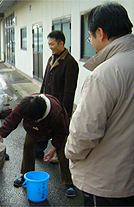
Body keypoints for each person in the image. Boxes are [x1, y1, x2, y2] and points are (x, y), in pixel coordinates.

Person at [65, 2, 134, 206]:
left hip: (106, 183)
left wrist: (69, 152)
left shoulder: (104, 74)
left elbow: (84, 134)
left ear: (101, 33)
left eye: (90, 37)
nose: (90, 42)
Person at [0, 94, 76, 197]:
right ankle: (26, 174)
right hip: (32, 129)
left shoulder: (56, 113)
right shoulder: (25, 105)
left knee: (63, 153)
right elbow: (11, 121)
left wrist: (53, 150)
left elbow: (61, 133)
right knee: (28, 145)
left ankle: (69, 182)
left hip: (53, 130)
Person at [35, 30, 79, 160]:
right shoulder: (51, 58)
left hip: (59, 106)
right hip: (46, 102)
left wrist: (65, 111)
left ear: (61, 43)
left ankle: (60, 156)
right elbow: (44, 81)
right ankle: (38, 152)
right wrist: (40, 97)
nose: (50, 47)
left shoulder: (70, 63)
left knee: (59, 132)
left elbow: (69, 90)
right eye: (49, 44)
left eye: (52, 44)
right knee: (43, 128)